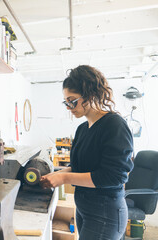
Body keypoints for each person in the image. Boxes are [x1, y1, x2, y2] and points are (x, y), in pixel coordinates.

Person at [40, 65, 134, 240]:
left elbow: (114, 176)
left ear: (90, 95)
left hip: (106, 213)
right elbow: (78, 167)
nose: (69, 107)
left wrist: (64, 178)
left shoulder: (114, 125)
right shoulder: (82, 129)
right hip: (85, 209)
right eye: (66, 102)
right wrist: (56, 173)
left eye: (72, 100)